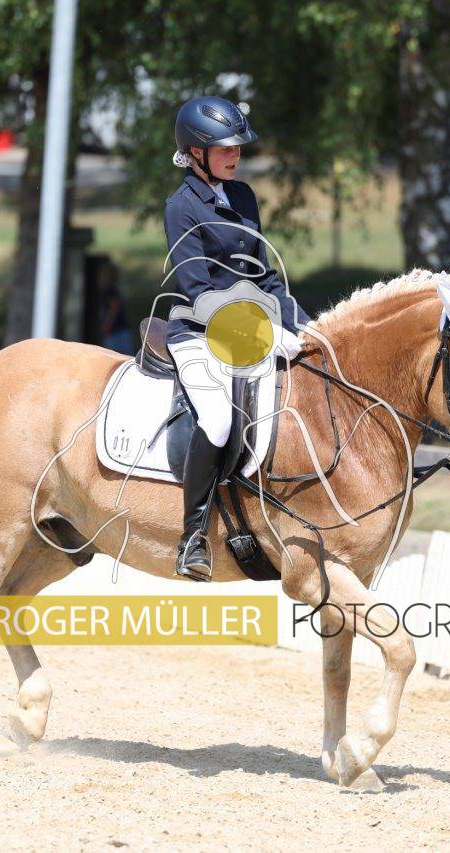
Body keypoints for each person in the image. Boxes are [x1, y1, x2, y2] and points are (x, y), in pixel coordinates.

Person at [163, 95, 311, 581]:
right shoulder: (181, 207)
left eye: (238, 147)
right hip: (198, 330)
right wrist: (262, 330)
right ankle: (192, 537)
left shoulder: (243, 196)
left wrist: (305, 325)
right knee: (219, 419)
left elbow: (264, 276)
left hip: (251, 328)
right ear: (196, 152)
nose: (236, 155)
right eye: (226, 148)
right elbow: (199, 291)